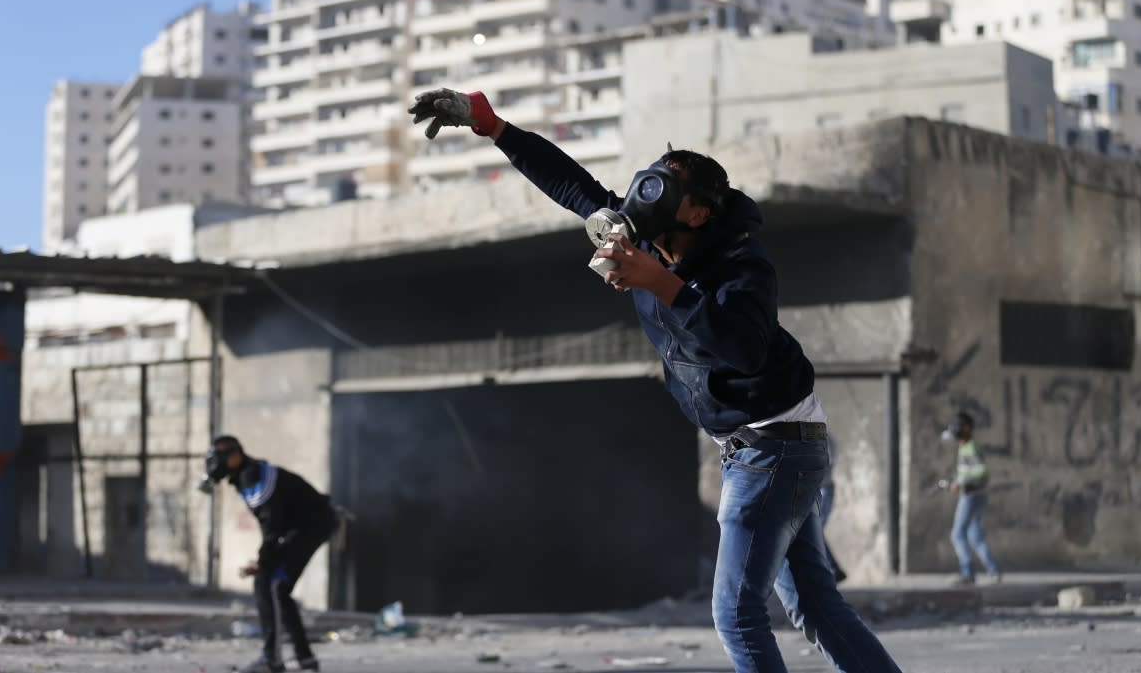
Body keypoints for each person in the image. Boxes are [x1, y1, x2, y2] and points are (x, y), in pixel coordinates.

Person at [408, 88, 904, 673]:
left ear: (699, 211)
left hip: (773, 450)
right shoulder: (645, 239)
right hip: (764, 447)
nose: (647, 194)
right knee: (816, 607)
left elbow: (741, 350)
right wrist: (492, 125)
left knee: (737, 615)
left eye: (667, 188)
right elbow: (572, 186)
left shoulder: (742, 266)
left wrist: (660, 284)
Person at [199, 436, 338, 673]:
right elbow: (275, 524)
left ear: (235, 456)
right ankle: (304, 659)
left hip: (313, 525)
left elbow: (272, 523)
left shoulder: (253, 476)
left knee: (272, 583)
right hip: (300, 527)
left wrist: (264, 560)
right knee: (276, 587)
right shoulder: (245, 477)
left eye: (222, 457)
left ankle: (272, 660)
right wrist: (265, 559)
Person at [943, 413, 1002, 585]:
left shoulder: (970, 447)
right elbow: (968, 471)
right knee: (975, 536)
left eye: (959, 426)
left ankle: (967, 573)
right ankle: (993, 571)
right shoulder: (965, 447)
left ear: (967, 428)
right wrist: (956, 482)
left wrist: (960, 484)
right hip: (976, 495)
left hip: (971, 496)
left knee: (957, 534)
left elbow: (981, 471)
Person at [819, 435, 848, 584]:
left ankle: (833, 569)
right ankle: (834, 569)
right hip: (815, 489)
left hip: (823, 489)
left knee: (814, 531)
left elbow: (829, 460)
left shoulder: (822, 436)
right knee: (812, 531)